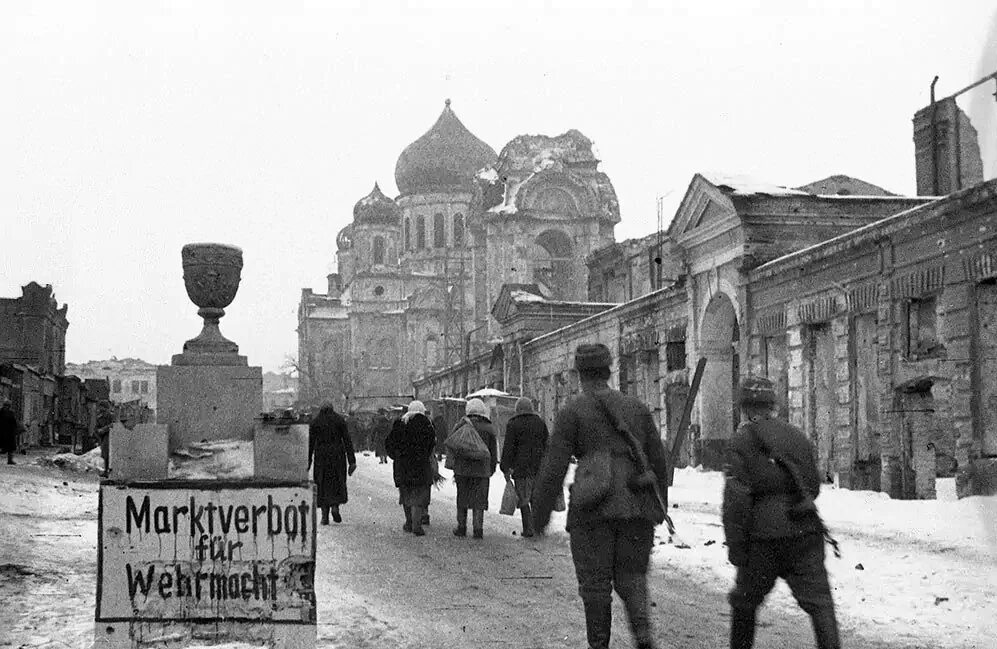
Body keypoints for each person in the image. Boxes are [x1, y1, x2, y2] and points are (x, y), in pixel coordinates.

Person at [532, 343, 668, 649]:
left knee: (595, 588)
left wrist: (539, 516)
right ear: (609, 371)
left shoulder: (572, 412)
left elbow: (554, 466)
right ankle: (645, 640)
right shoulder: (636, 408)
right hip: (636, 508)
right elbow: (659, 461)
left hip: (592, 510)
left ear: (580, 374)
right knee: (633, 580)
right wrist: (659, 505)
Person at [722, 376, 840, 649]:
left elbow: (736, 501)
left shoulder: (741, 441)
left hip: (762, 540)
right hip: (805, 532)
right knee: (820, 603)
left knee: (745, 602)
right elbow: (812, 486)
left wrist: (736, 547)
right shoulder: (796, 436)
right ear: (772, 405)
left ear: (744, 408)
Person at [385, 399, 436, 536]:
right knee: (418, 495)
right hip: (420, 465)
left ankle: (408, 522)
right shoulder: (427, 424)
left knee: (405, 494)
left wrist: (396, 456)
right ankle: (417, 525)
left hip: (402, 466)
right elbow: (431, 445)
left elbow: (389, 444)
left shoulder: (399, 424)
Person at [500, 396, 549, 538]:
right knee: (535, 498)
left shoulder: (513, 424)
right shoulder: (540, 422)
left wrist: (505, 466)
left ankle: (528, 529)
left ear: (517, 409)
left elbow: (509, 447)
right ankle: (538, 528)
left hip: (521, 469)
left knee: (523, 499)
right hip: (538, 468)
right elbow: (547, 444)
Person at [451, 397, 498, 539]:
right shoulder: (489, 428)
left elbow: (453, 446)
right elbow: (493, 452)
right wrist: (491, 468)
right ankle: (478, 529)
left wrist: (455, 466)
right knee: (479, 501)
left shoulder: (460, 426)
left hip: (462, 470)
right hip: (482, 471)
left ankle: (461, 527)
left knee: (462, 498)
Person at [308, 403, 357, 525]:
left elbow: (310, 443)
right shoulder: (339, 420)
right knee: (336, 482)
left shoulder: (316, 422)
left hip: (321, 457)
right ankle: (335, 507)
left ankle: (325, 516)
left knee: (322, 483)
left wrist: (308, 460)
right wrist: (352, 461)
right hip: (337, 456)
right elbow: (347, 440)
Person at [1, 398, 20, 465]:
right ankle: (10, 460)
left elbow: (14, 422)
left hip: (9, 432)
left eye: (7, 405)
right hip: (4, 432)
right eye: (6, 405)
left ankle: (10, 460)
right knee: (8, 447)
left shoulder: (10, 413)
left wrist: (15, 430)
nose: (7, 407)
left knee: (10, 448)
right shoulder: (2, 412)